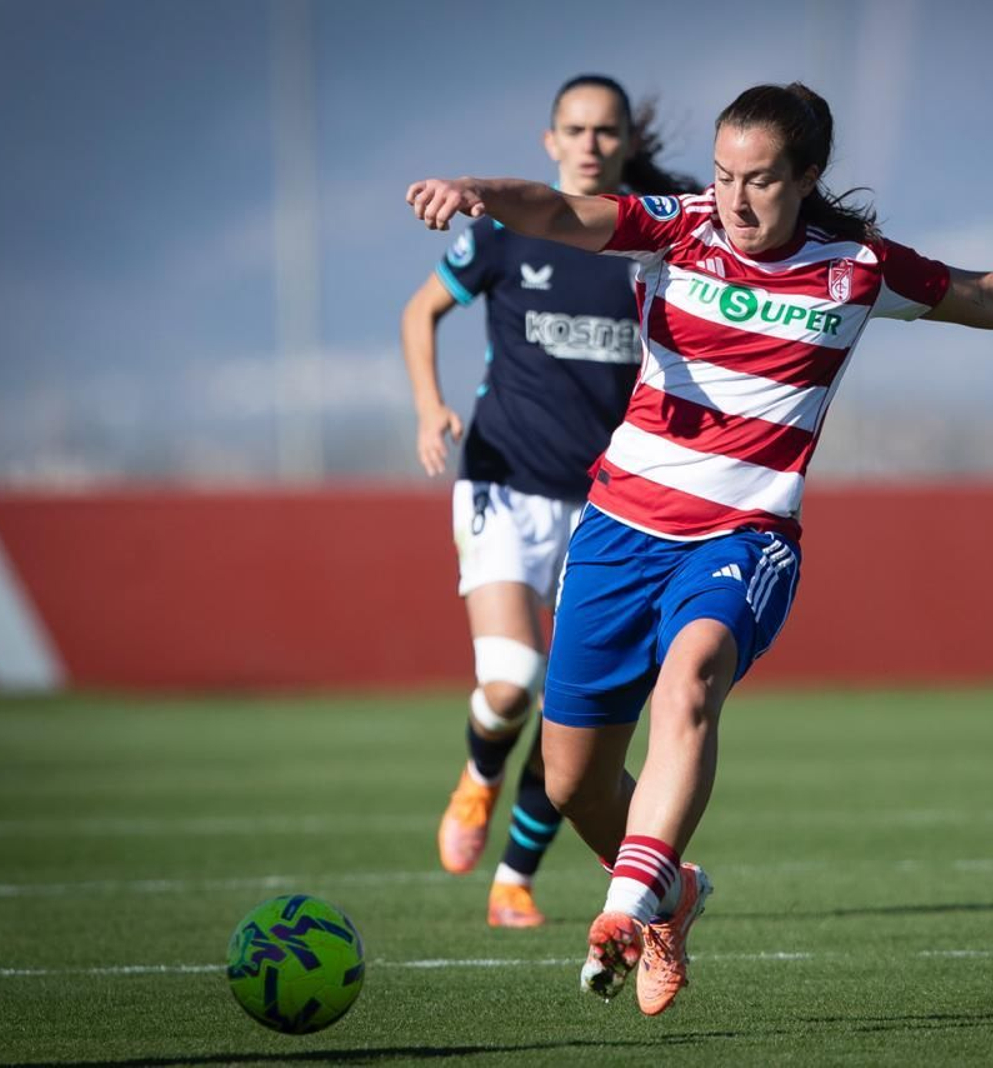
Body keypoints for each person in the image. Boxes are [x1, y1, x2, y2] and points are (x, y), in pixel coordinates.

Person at [406, 82, 993, 1012]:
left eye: (759, 180)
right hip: (618, 531)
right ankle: (674, 895)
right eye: (723, 176)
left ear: (807, 178)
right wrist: (477, 187)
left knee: (693, 676)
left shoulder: (857, 268)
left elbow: (988, 293)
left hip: (745, 535)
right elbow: (557, 209)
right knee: (569, 779)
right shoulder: (676, 228)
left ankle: (626, 907)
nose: (736, 199)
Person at [399, 74, 695, 929]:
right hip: (501, 481)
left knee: (576, 708)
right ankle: (479, 777)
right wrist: (429, 408)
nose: (592, 144)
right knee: (512, 680)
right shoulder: (503, 232)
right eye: (577, 129)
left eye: (607, 131)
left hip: (610, 507)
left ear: (627, 142)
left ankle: (514, 879)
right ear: (550, 141)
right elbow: (421, 314)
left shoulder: (653, 245)